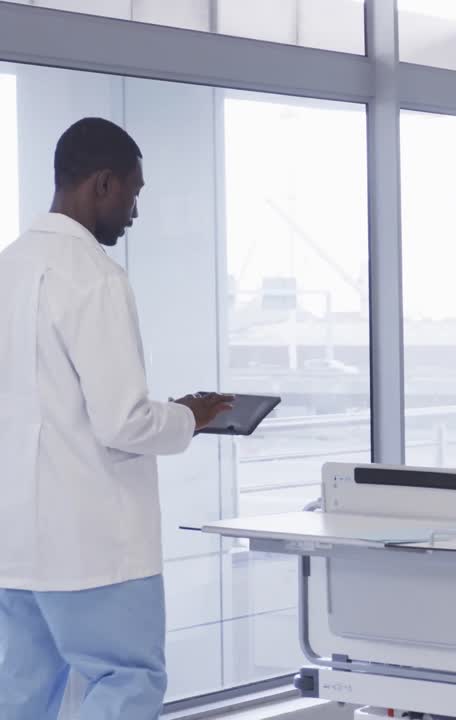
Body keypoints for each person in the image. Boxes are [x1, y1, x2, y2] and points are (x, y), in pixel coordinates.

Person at [0, 117, 234, 720]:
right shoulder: (95, 278)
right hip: (93, 546)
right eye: (134, 193)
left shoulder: (8, 267)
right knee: (127, 679)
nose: (134, 211)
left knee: (22, 694)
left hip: (15, 543)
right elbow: (122, 421)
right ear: (103, 184)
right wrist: (188, 417)